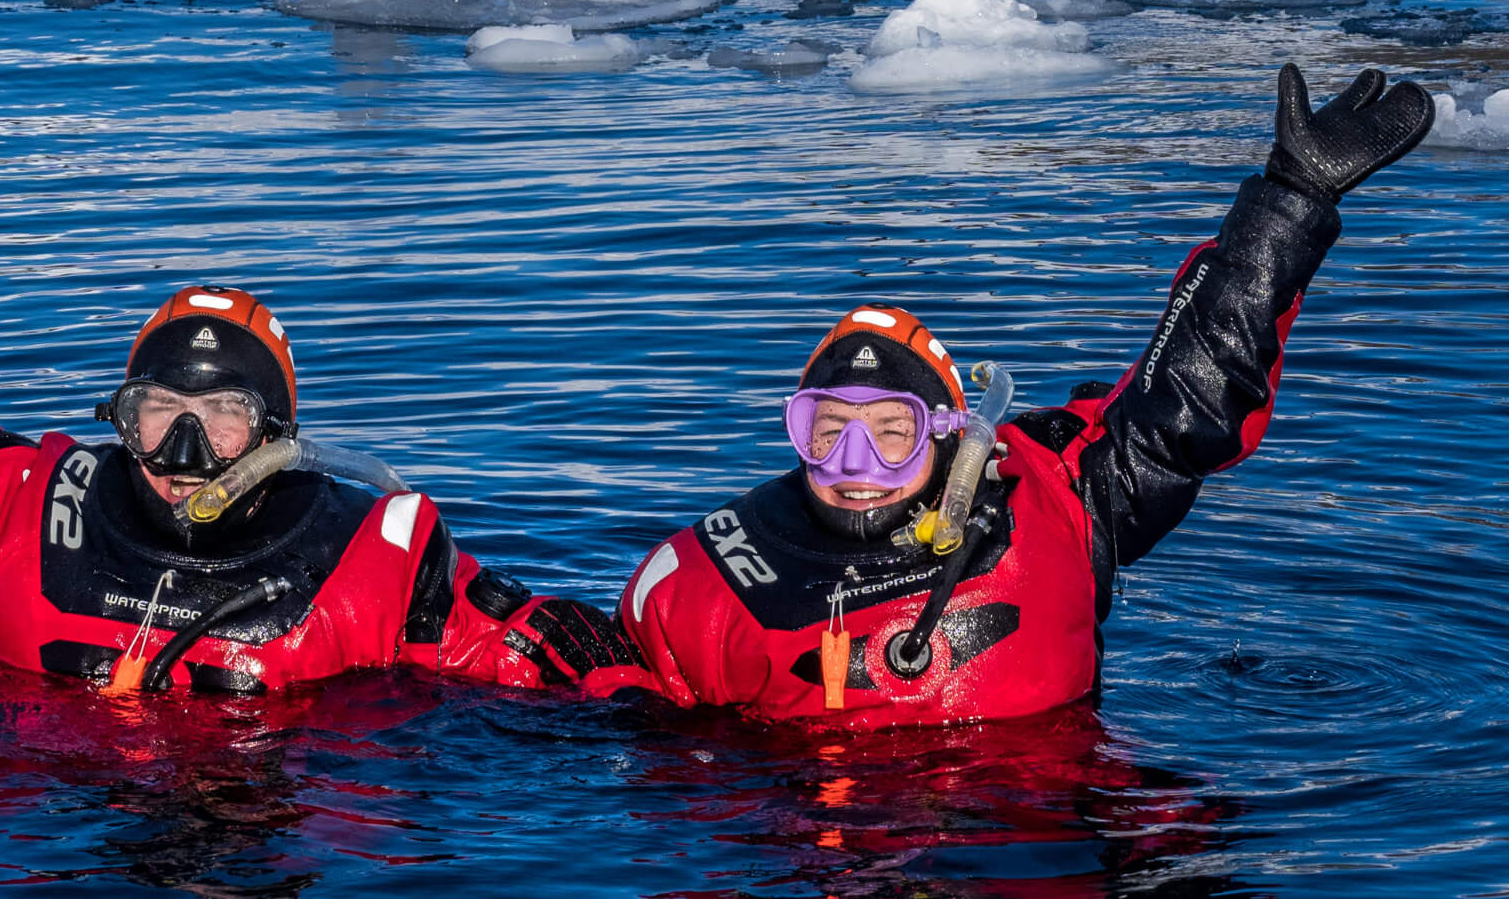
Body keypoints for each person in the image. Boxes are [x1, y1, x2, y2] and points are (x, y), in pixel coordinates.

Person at [0, 32, 621, 699]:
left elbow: (570, 672)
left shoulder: (376, 569)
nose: (188, 447)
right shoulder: (12, 514)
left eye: (226, 415)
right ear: (121, 416)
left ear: (279, 435)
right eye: (160, 409)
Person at [608, 62, 1435, 725]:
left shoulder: (1057, 492)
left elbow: (1186, 398)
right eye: (825, 429)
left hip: (1060, 840)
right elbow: (589, 691)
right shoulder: (706, 578)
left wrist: (1289, 203)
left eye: (891, 429)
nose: (852, 460)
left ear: (947, 433)